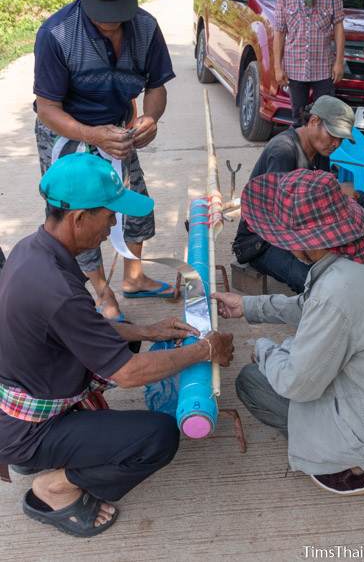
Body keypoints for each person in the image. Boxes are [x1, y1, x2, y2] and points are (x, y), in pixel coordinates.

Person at [0, 153, 234, 536]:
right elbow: (127, 375)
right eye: (109, 216)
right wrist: (206, 349)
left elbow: (79, 327)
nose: (113, 226)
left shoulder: (35, 250)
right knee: (157, 438)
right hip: (24, 429)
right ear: (79, 217)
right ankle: (54, 488)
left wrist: (150, 332)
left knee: (123, 336)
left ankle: (46, 452)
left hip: (24, 389)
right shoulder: (56, 288)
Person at [216, 168, 364, 496]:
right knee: (292, 351)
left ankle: (356, 465)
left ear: (302, 242)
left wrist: (263, 349)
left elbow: (296, 383)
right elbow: (311, 306)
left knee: (253, 380)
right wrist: (247, 306)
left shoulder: (337, 290)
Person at [33, 0, 176, 321]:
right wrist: (89, 135)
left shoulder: (145, 28)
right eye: (102, 13)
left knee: (136, 206)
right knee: (78, 216)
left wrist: (150, 118)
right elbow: (47, 108)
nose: (112, 21)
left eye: (119, 10)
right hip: (66, 131)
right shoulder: (57, 35)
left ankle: (133, 276)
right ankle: (101, 292)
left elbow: (157, 86)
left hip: (117, 131)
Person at [233, 95, 364, 293]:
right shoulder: (283, 151)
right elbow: (276, 221)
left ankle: (337, 254)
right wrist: (308, 254)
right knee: (313, 282)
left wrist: (341, 195)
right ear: (314, 121)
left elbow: (320, 196)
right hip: (262, 240)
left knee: (361, 200)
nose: (336, 144)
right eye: (332, 135)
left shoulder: (320, 150)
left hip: (302, 227)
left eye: (340, 139)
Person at [274, 0, 345, 127]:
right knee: (298, 121)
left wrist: (339, 62)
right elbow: (279, 32)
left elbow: (338, 27)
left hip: (324, 68)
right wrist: (277, 67)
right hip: (295, 68)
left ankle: (321, 157)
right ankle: (300, 156)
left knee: (325, 122)